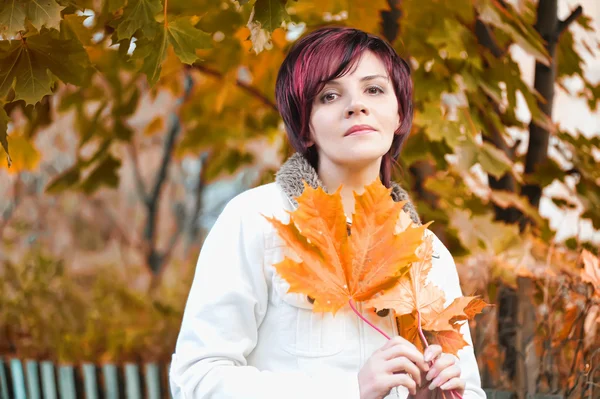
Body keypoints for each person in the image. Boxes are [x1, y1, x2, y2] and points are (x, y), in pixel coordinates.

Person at [169, 26, 486, 399]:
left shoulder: (427, 252)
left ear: (399, 114)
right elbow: (197, 378)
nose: (357, 105)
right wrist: (349, 391)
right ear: (305, 128)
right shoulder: (256, 219)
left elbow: (471, 391)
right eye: (330, 95)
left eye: (374, 89)